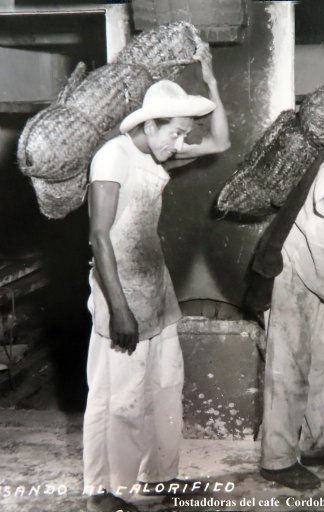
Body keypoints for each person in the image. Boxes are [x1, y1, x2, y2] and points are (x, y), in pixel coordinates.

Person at [83, 41, 230, 512]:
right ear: (150, 124)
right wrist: (119, 306)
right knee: (119, 396)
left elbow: (222, 142)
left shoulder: (156, 154)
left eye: (185, 133)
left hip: (156, 285)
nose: (180, 142)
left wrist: (210, 84)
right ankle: (107, 490)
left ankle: (158, 478)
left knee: (165, 385)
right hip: (119, 289)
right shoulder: (112, 157)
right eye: (175, 133)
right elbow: (99, 237)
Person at [259, 133, 324, 491]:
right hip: (292, 272)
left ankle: (319, 444)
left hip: (318, 277)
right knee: (289, 369)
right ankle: (277, 461)